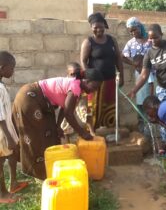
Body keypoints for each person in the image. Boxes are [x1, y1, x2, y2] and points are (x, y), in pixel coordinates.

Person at [12, 69, 102, 180]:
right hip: (30, 98)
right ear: (87, 81)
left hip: (33, 97)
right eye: (95, 86)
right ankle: (38, 174)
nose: (95, 90)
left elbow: (64, 108)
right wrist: (82, 133)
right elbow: (69, 114)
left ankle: (47, 171)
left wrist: (58, 126)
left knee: (52, 133)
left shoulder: (76, 85)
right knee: (37, 137)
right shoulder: (75, 87)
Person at [128, 23, 166, 153]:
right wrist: (135, 90)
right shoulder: (149, 54)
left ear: (162, 34)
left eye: (156, 37)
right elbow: (144, 75)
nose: (153, 41)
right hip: (162, 88)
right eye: (150, 38)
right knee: (162, 115)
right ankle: (165, 143)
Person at [80, 12, 124, 130]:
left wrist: (122, 76)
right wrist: (89, 78)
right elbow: (83, 61)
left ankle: (108, 130)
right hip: (95, 83)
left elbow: (118, 59)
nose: (99, 29)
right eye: (96, 27)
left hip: (110, 80)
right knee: (93, 107)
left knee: (109, 106)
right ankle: (92, 132)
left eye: (101, 27)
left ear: (105, 26)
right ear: (91, 28)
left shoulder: (111, 40)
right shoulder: (88, 42)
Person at [0, 51, 28, 203]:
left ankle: (13, 183)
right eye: (12, 68)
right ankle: (2, 193)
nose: (13, 71)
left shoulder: (1, 84)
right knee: (1, 160)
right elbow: (0, 117)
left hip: (6, 129)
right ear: (2, 67)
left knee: (12, 154)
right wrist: (9, 137)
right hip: (2, 132)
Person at [122, 17, 154, 135]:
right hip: (139, 74)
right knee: (140, 104)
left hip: (153, 74)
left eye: (135, 30)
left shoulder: (150, 41)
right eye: (130, 31)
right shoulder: (131, 43)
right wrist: (134, 63)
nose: (133, 33)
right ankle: (143, 133)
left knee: (152, 104)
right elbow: (122, 56)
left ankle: (150, 133)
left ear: (140, 27)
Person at [60, 62, 94, 138]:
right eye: (72, 74)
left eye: (78, 74)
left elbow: (88, 91)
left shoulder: (82, 80)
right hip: (69, 102)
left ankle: (92, 133)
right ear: (68, 74)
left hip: (81, 99)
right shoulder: (66, 82)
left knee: (86, 113)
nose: (75, 76)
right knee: (66, 121)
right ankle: (67, 141)